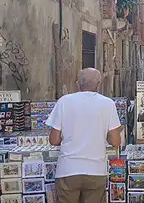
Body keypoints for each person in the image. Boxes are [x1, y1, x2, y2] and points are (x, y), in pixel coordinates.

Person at [46, 68, 121, 203]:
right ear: (98, 84)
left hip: (68, 170)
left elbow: (54, 139)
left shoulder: (64, 101)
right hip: (96, 170)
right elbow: (115, 141)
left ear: (77, 83)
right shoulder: (108, 104)